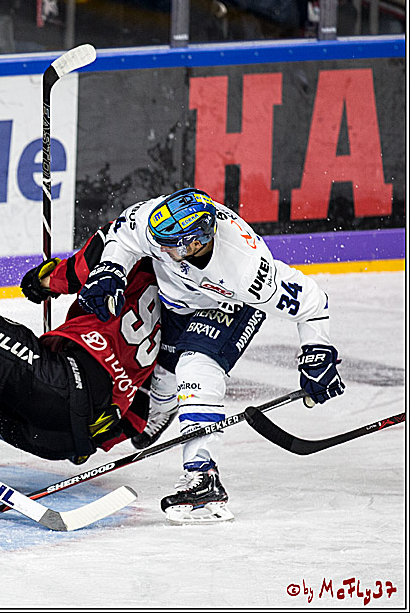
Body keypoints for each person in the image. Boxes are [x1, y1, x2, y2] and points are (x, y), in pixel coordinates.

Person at [66, 187, 344, 522]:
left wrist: (317, 352)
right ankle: (163, 406)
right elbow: (124, 238)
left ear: (197, 242)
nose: (159, 248)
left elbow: (311, 301)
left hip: (229, 307)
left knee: (195, 366)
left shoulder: (247, 271)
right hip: (178, 300)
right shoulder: (159, 219)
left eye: (170, 244)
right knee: (163, 373)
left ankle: (202, 474)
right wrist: (110, 269)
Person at [0, 222, 159, 467]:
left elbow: (81, 270)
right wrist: (102, 438)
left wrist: (44, 280)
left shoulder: (133, 242)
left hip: (58, 385)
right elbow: (142, 414)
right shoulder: (180, 312)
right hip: (64, 439)